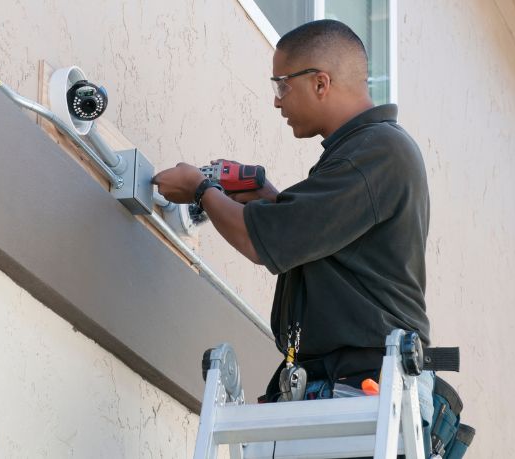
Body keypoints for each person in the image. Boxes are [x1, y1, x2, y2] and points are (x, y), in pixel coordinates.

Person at [152, 18, 435, 442]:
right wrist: (270, 200)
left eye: (282, 85)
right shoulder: (364, 152)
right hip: (347, 384)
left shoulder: (375, 152)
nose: (277, 102)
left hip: (365, 384)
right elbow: (322, 243)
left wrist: (200, 189)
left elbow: (258, 241)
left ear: (321, 83)